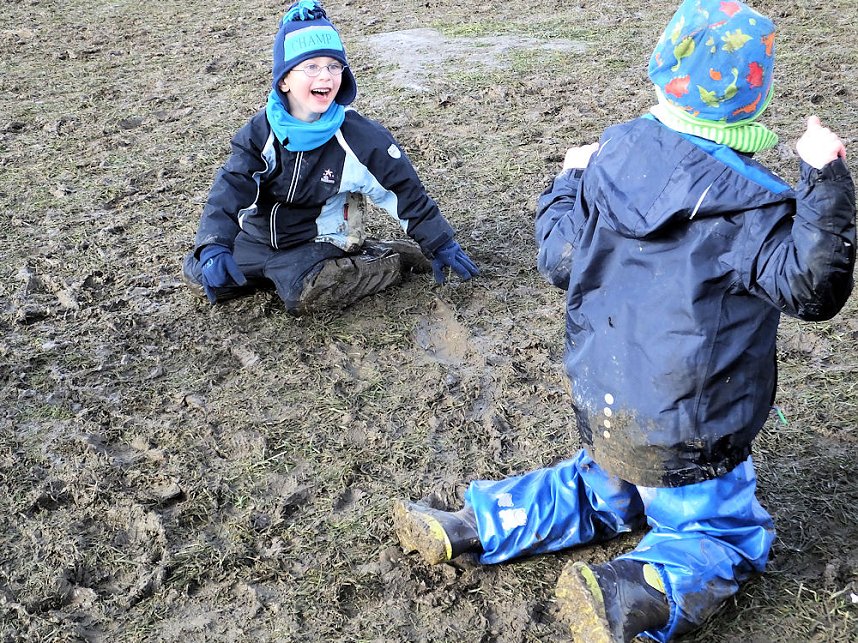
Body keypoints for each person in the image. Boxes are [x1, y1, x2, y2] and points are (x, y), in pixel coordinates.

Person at [392, 0, 856, 641]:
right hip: (696, 423)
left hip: (605, 395)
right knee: (720, 528)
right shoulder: (753, 206)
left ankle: (478, 522)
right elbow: (813, 287)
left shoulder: (611, 156)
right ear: (754, 98)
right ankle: (630, 593)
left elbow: (558, 255)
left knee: (602, 482)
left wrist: (566, 178)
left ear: (663, 71)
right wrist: (825, 180)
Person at [182, 0, 478, 315]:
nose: (325, 76)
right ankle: (273, 271)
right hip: (258, 240)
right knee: (201, 271)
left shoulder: (359, 137)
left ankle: (387, 259)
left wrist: (440, 242)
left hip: (321, 242)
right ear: (284, 79)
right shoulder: (260, 132)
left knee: (305, 295)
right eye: (311, 66)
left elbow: (404, 190)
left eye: (333, 66)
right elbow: (232, 185)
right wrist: (214, 245)